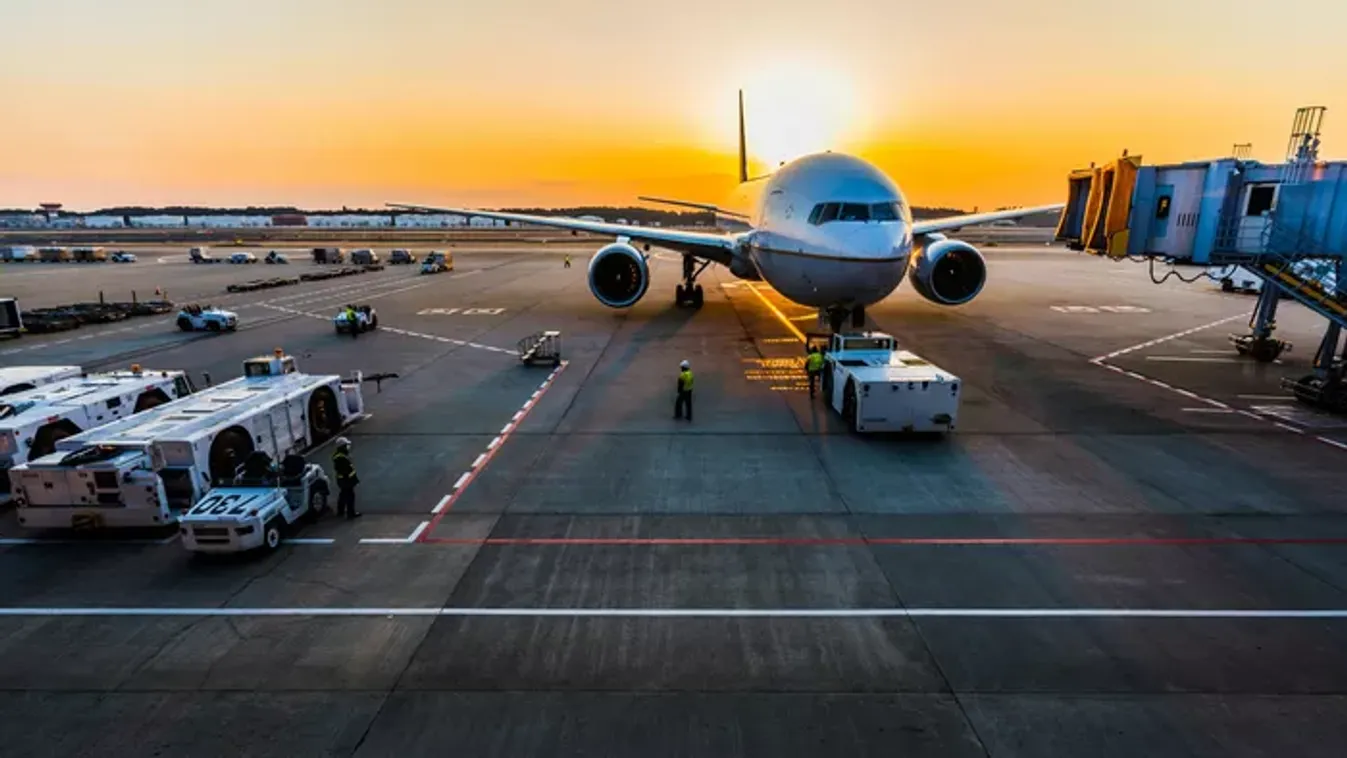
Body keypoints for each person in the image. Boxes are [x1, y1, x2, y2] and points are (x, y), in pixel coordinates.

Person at [332, 437, 361, 519]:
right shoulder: (341, 457)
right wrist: (351, 479)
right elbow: (346, 470)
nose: (348, 447)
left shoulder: (341, 455)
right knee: (350, 496)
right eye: (346, 445)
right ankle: (350, 513)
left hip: (343, 480)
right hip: (346, 480)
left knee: (343, 495)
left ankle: (340, 511)